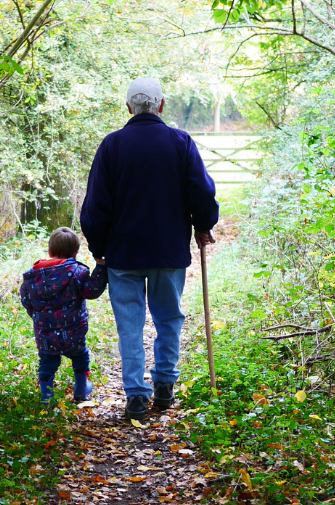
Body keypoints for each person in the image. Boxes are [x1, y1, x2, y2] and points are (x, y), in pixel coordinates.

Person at [80, 77, 219, 421]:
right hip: (167, 251)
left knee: (130, 325)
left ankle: (136, 397)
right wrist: (203, 224)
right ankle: (164, 386)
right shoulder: (180, 142)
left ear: (128, 107)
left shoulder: (111, 146)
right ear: (161, 105)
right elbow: (201, 191)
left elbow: (96, 204)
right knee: (169, 318)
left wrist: (99, 248)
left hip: (122, 254)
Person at [20, 227, 108, 403]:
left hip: (45, 334)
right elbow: (91, 291)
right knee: (80, 356)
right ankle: (81, 390)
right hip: (73, 332)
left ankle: (47, 398)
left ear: (50, 251)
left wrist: (39, 319)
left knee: (47, 362)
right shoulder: (78, 273)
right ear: (75, 253)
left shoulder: (33, 276)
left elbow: (26, 301)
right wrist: (101, 268)